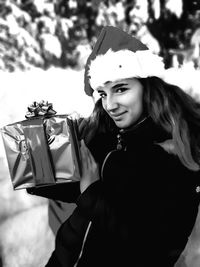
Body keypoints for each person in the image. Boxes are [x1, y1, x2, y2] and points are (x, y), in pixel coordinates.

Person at [30, 26, 200, 267]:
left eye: (120, 89)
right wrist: (38, 165)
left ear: (146, 85)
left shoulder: (177, 153)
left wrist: (91, 195)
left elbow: (157, 246)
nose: (110, 105)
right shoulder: (108, 132)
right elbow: (77, 184)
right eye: (102, 93)